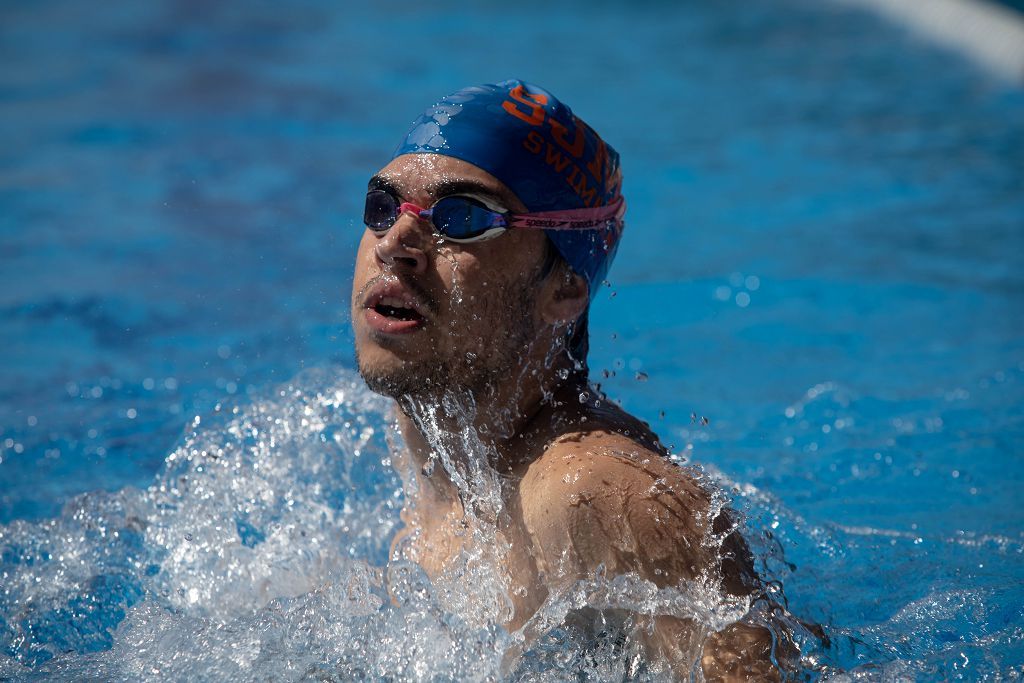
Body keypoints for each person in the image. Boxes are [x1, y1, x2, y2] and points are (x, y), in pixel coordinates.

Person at [351, 80, 780, 679]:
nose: (396, 243)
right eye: (383, 206)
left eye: (463, 218)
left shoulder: (602, 495)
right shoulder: (424, 439)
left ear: (566, 287)